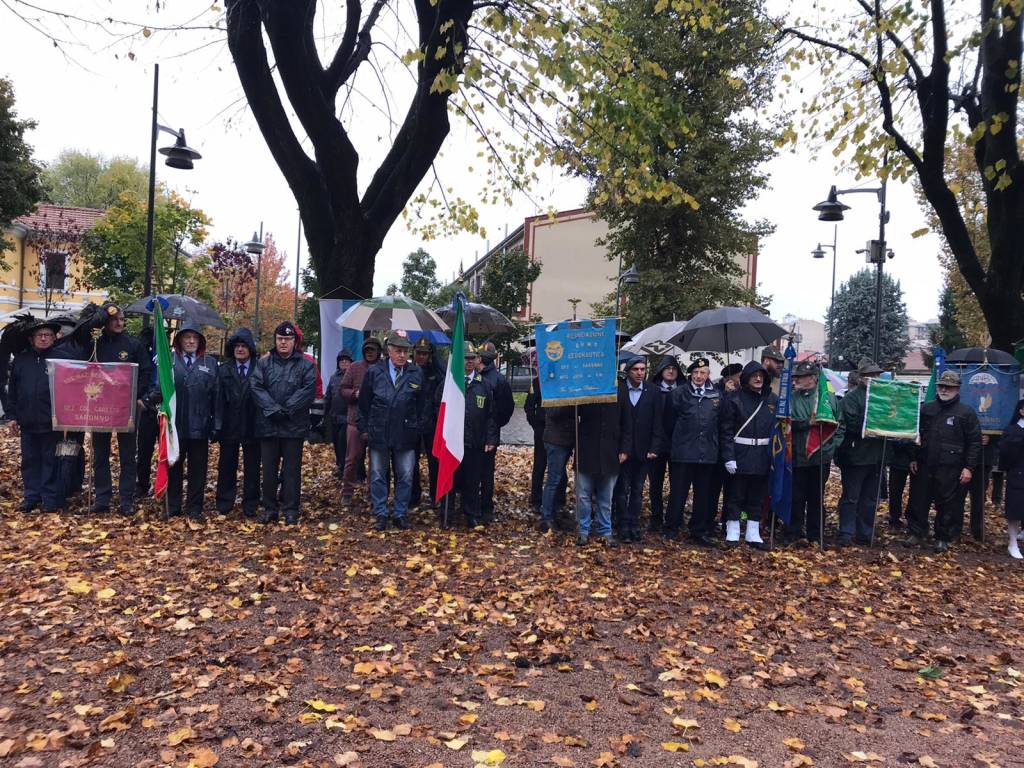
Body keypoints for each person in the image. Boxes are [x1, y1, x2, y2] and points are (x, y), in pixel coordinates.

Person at [87, 303, 152, 515]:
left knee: (127, 455)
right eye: (115, 319)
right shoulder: (95, 344)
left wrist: (140, 397)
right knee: (100, 455)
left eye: (122, 319)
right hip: (100, 407)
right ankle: (102, 498)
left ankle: (126, 500)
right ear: (105, 322)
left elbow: (145, 372)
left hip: (127, 408)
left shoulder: (134, 345)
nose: (119, 323)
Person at [906, 370, 981, 553]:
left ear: (957, 389)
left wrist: (969, 467)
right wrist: (913, 457)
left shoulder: (966, 412)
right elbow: (916, 435)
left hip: (951, 467)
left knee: (948, 504)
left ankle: (943, 537)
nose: (944, 390)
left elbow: (974, 442)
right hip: (924, 464)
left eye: (949, 387)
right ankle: (917, 532)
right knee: (918, 500)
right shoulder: (927, 408)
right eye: (941, 386)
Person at [251, 321, 318, 525]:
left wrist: (287, 409)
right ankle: (270, 508)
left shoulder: (306, 365)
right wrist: (273, 409)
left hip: (293, 426)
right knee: (269, 470)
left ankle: (291, 509)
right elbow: (256, 387)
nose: (283, 343)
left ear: (294, 341)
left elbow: (307, 390)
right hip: (269, 425)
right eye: (280, 339)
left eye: (287, 339)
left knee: (291, 471)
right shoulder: (263, 363)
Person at [358, 334, 425, 531]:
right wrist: (365, 429)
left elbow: (423, 404)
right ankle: (380, 512)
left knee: (405, 475)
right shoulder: (375, 372)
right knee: (378, 474)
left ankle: (400, 512)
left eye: (405, 351)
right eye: (398, 351)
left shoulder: (415, 373)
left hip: (406, 433)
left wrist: (418, 426)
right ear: (389, 351)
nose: (402, 355)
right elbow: (364, 403)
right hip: (380, 431)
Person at [654, 357, 721, 546]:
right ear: (691, 374)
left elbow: (719, 423)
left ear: (708, 375)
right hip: (683, 452)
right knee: (678, 492)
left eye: (703, 373)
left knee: (703, 494)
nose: (699, 376)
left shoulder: (716, 395)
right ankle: (671, 528)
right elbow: (669, 422)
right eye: (696, 373)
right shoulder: (679, 393)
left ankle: (698, 530)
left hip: (707, 452)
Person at [436, 342, 498, 527]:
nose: (469, 362)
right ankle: (446, 514)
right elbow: (437, 410)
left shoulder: (484, 385)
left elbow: (491, 415)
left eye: (472, 358)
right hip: (452, 442)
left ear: (478, 359)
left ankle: (472, 513)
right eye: (466, 358)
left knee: (473, 480)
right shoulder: (449, 385)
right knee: (450, 478)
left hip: (475, 442)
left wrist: (490, 438)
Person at [8, 320, 65, 512]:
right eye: (39, 335)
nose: (43, 338)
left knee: (51, 459)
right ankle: (31, 496)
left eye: (47, 335)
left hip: (52, 420)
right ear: (32, 339)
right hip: (27, 420)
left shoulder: (61, 360)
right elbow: (13, 390)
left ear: (54, 338)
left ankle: (49, 498)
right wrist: (12, 415)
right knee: (30, 460)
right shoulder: (21, 360)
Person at [720, 360, 777, 548]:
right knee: (735, 495)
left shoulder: (772, 400)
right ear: (746, 378)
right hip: (740, 454)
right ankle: (733, 531)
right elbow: (726, 431)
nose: (758, 379)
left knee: (757, 495)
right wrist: (729, 457)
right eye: (754, 376)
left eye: (761, 376)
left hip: (762, 454)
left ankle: (753, 533)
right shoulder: (734, 399)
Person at [787, 361, 844, 546]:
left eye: (801, 377)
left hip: (820, 457)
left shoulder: (828, 400)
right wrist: (807, 423)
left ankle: (815, 535)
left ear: (812, 378)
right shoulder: (792, 398)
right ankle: (793, 532)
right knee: (796, 497)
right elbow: (787, 423)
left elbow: (839, 425)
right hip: (797, 454)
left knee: (816, 498)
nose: (797, 380)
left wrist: (832, 446)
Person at [166, 323, 217, 521]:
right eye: (186, 337)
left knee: (198, 468)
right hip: (175, 425)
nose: (191, 341)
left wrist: (216, 423)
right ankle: (173, 505)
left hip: (200, 424)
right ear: (179, 340)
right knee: (175, 466)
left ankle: (195, 507)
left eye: (195, 338)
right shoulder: (169, 360)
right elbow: (159, 388)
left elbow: (216, 395)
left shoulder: (210, 363)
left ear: (200, 341)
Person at [834, 359, 886, 546]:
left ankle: (865, 533)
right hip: (855, 456)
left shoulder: (883, 398)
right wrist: (874, 421)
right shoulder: (852, 398)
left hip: (876, 456)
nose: (875, 378)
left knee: (870, 498)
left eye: (877, 375)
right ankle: (846, 532)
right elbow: (853, 425)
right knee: (851, 497)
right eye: (871, 375)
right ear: (862, 378)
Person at [214, 328, 261, 518]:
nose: (240, 349)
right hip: (229, 423)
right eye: (237, 346)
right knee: (226, 464)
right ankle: (224, 501)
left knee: (252, 465)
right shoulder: (224, 369)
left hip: (252, 423)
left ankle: (251, 503)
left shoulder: (259, 368)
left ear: (250, 348)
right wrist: (217, 424)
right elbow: (217, 398)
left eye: (243, 346)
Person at [615, 355, 658, 543]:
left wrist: (655, 447)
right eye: (636, 369)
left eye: (643, 369)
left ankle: (634, 524)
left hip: (644, 449)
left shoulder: (653, 391)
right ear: (628, 371)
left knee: (638, 489)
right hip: (623, 451)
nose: (640, 373)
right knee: (622, 488)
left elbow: (658, 421)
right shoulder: (620, 390)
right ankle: (623, 524)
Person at [575, 400, 629, 546]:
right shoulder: (585, 389)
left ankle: (605, 531)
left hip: (610, 452)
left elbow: (626, 422)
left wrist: (624, 448)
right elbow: (575, 412)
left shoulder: (620, 389)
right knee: (583, 495)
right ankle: (583, 530)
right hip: (586, 451)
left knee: (606, 498)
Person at [340, 337, 383, 504]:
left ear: (379, 352)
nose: (370, 353)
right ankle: (347, 491)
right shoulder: (354, 367)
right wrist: (354, 394)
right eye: (367, 350)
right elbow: (342, 389)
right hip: (355, 420)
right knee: (352, 458)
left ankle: (373, 493)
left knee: (376, 461)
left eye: (373, 350)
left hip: (377, 421)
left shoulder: (384, 368)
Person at [477, 341, 514, 522]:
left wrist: (495, 426)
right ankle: (471, 503)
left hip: (488, 433)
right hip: (471, 432)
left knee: (486, 472)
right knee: (472, 470)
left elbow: (507, 408)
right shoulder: (472, 375)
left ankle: (485, 506)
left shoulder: (498, 380)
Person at [647, 356, 682, 533]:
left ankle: (674, 518)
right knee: (655, 483)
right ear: (661, 371)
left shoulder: (684, 390)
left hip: (678, 445)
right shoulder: (652, 391)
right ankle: (656, 516)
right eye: (667, 368)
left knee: (678, 484)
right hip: (657, 443)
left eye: (674, 368)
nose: (670, 371)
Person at [411, 337, 442, 508]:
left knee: (434, 462)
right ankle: (413, 495)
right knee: (411, 463)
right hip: (413, 423)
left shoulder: (435, 372)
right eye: (419, 353)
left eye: (425, 354)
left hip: (431, 424)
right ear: (414, 353)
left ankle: (435, 495)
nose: (421, 357)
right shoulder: (408, 371)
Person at [539, 403, 575, 534]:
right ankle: (547, 517)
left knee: (561, 478)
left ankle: (557, 510)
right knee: (554, 479)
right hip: (556, 440)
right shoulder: (553, 387)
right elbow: (553, 411)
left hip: (568, 438)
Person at [997, 399, 1024, 559]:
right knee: (1015, 512)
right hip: (1018, 476)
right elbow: (1005, 456)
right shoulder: (1012, 430)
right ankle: (1012, 543)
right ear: (1021, 410)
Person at [324, 348, 353, 478]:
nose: (344, 364)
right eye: (342, 361)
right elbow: (328, 395)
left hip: (348, 417)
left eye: (347, 361)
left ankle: (347, 469)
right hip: (335, 416)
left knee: (344, 444)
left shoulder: (353, 376)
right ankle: (340, 465)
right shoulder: (333, 377)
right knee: (337, 444)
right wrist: (325, 412)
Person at [968, 433, 999, 540]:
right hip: (962, 455)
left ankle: (977, 528)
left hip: (983, 459)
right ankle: (953, 529)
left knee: (979, 496)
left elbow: (1001, 428)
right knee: (957, 496)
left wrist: (991, 438)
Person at [886, 439, 915, 529]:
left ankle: (912, 521)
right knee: (895, 491)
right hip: (898, 458)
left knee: (916, 493)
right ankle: (894, 519)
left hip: (919, 457)